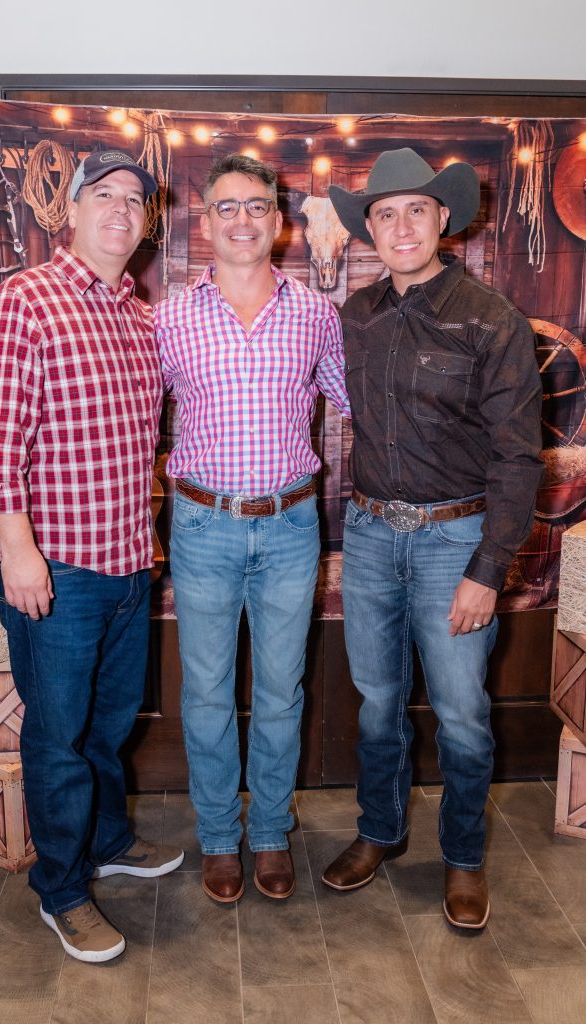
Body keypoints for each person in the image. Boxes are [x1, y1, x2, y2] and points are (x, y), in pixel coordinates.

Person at [0, 148, 184, 963]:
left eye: (135, 199)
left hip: (128, 563)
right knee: (58, 737)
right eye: (104, 195)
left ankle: (107, 840)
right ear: (71, 209)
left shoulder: (138, 316)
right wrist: (17, 552)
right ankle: (61, 890)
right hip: (57, 570)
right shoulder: (26, 299)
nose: (121, 210)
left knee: (109, 724)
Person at [323, 147, 543, 929]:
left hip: (456, 540)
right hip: (370, 535)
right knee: (378, 703)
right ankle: (380, 831)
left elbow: (519, 458)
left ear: (443, 218)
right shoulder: (356, 315)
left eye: (416, 209)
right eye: (385, 214)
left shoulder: (492, 320)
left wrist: (489, 567)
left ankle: (463, 857)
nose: (402, 226)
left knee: (461, 713)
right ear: (370, 231)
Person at [155, 154, 349, 904]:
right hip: (203, 524)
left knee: (280, 688)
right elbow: (134, 419)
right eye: (226, 207)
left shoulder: (316, 314)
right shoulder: (170, 318)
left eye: (257, 206)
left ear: (280, 221)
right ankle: (216, 837)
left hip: (291, 525)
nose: (243, 220)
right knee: (206, 691)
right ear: (205, 222)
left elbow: (359, 403)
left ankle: (268, 831)